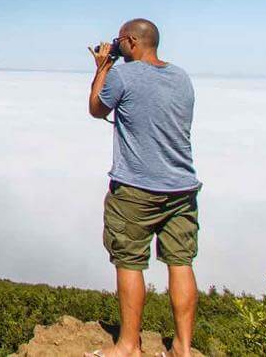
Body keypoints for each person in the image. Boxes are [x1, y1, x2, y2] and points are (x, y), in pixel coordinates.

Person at [85, 18, 200, 357]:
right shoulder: (181, 77)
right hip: (182, 186)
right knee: (181, 262)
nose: (117, 44)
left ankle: (129, 345)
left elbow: (96, 108)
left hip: (136, 187)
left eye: (120, 40)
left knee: (130, 262)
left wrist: (103, 66)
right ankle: (183, 346)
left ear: (132, 41)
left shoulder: (123, 74)